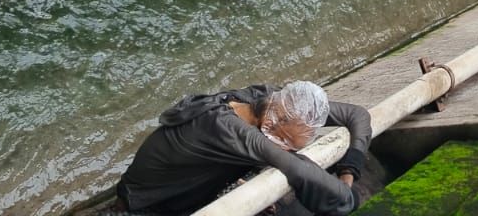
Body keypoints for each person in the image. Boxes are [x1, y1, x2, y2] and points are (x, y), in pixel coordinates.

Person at [116, 81, 371, 215]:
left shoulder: (271, 99)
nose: (283, 148)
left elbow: (356, 114)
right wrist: (350, 195)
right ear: (277, 120)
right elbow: (300, 170)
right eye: (284, 141)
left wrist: (350, 168)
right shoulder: (230, 130)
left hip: (195, 187)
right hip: (146, 204)